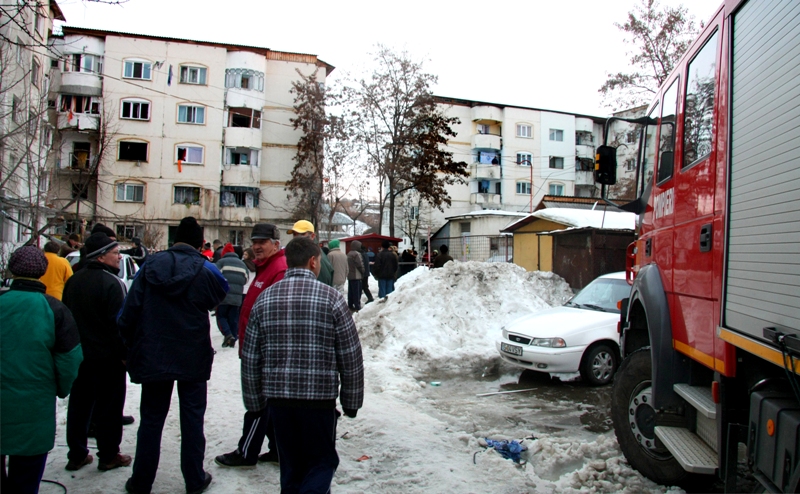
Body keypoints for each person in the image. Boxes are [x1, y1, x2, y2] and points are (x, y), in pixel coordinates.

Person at [242, 236, 364, 493]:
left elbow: (251, 357)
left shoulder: (264, 300)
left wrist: (254, 403)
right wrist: (351, 402)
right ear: (312, 262)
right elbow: (350, 356)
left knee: (291, 466)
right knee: (321, 463)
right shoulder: (331, 299)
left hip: (279, 403)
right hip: (319, 402)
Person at [118, 217, 228, 494]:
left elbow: (128, 313)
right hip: (192, 354)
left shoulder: (149, 266)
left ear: (174, 239)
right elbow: (220, 294)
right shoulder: (207, 269)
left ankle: (141, 481)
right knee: (192, 418)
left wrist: (129, 347)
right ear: (199, 243)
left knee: (152, 419)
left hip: (154, 353)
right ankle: (194, 479)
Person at [0, 246, 83, 494]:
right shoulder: (55, 310)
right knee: (26, 474)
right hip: (34, 406)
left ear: (12, 270)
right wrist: (60, 387)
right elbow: (70, 359)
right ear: (43, 271)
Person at [215, 223, 286, 468]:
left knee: (257, 404)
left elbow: (276, 316)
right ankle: (278, 448)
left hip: (263, 351)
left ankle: (247, 453)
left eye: (262, 242)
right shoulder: (265, 268)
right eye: (254, 242)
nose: (256, 247)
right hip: (254, 347)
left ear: (276, 244)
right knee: (264, 403)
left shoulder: (278, 270)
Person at [62, 233, 132, 472]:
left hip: (80, 356)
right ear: (101, 256)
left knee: (80, 406)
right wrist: (125, 354)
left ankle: (77, 454)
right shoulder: (112, 283)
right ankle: (109, 454)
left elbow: (67, 318)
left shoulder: (74, 280)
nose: (119, 256)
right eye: (115, 252)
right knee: (109, 408)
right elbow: (119, 325)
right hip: (108, 359)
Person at [215, 243, 248, 348]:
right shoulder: (242, 264)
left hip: (224, 295)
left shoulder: (221, 262)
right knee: (233, 318)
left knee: (221, 316)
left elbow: (214, 276)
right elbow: (246, 279)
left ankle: (228, 334)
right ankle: (233, 336)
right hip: (237, 296)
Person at [287, 220, 333, 286]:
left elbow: (323, 285)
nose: (297, 238)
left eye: (302, 234)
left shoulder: (318, 257)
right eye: (295, 234)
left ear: (312, 236)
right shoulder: (302, 253)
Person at [346, 240, 364, 311]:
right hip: (357, 276)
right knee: (357, 292)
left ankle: (350, 304)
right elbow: (360, 264)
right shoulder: (357, 254)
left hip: (350, 275)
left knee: (351, 291)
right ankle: (357, 306)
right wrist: (363, 271)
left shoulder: (349, 254)